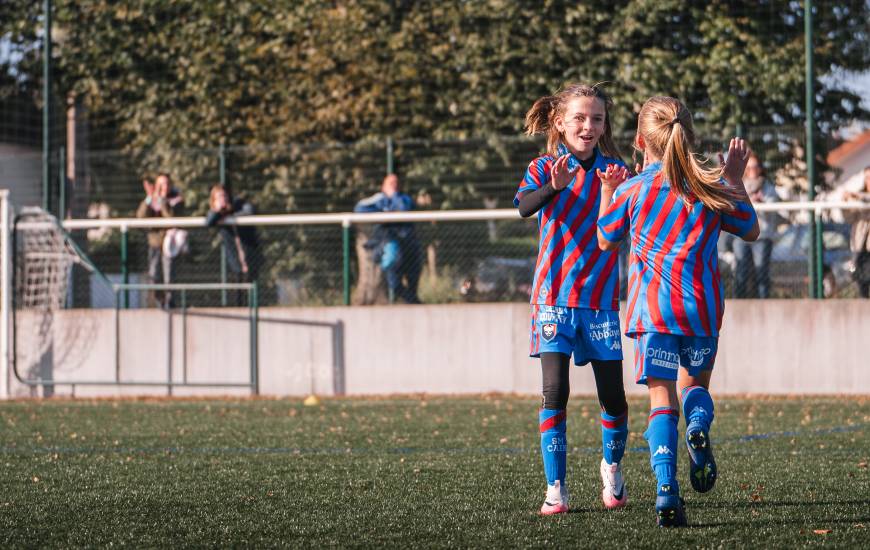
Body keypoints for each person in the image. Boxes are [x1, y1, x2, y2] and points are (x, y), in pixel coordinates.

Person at [598, 96, 759, 527]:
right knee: (694, 388)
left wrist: (608, 189)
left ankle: (666, 492)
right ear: (691, 136)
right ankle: (698, 426)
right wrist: (735, 178)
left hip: (654, 313)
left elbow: (605, 237)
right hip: (702, 311)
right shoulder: (710, 186)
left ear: (638, 141)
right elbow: (750, 229)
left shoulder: (634, 188)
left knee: (661, 397)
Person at [515, 83, 631, 516]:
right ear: (560, 122)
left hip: (600, 302)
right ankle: (555, 488)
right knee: (554, 392)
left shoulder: (615, 171)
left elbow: (620, 228)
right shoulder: (544, 165)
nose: (588, 126)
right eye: (580, 118)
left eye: (597, 119)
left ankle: (612, 469)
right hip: (552, 300)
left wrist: (615, 192)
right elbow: (525, 207)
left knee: (614, 398)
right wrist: (554, 187)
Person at [354, 174, 422, 304]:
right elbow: (360, 208)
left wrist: (394, 197)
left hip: (410, 245)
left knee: (413, 279)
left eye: (396, 183)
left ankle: (414, 302)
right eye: (390, 183)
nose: (394, 185)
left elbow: (404, 208)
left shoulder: (404, 199)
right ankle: (413, 302)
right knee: (395, 282)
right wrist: (382, 214)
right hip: (392, 245)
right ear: (383, 186)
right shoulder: (379, 199)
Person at [732, 152, 781, 298]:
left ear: (760, 168)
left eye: (756, 167)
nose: (753, 170)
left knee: (762, 273)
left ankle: (764, 304)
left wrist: (761, 203)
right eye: (750, 167)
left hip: (762, 235)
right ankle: (738, 303)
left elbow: (773, 209)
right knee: (740, 271)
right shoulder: (741, 185)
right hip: (742, 235)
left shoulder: (768, 188)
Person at [206, 185, 262, 303]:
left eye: (224, 196)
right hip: (234, 260)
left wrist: (229, 215)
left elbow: (249, 210)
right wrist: (219, 212)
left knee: (252, 290)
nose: (223, 199)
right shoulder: (217, 214)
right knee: (237, 292)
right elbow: (209, 221)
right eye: (219, 197)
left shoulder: (239, 204)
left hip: (250, 255)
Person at [136, 173, 183, 307]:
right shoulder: (151, 200)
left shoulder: (176, 200)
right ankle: (160, 301)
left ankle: (171, 302)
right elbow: (140, 216)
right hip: (155, 243)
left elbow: (170, 217)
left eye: (167, 183)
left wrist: (162, 201)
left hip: (170, 244)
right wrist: (150, 198)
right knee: (154, 275)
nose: (165, 186)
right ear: (156, 186)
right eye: (161, 184)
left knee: (170, 275)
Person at [843, 166, 870, 298]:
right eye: (866, 178)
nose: (868, 181)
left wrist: (858, 198)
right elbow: (849, 217)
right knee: (860, 278)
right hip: (859, 245)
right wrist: (847, 200)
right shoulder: (859, 198)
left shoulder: (861, 197)